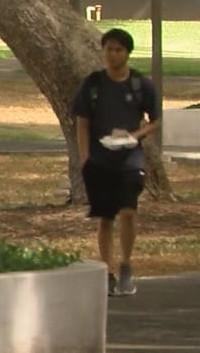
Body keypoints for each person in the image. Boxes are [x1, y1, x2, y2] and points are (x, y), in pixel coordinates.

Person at [71, 28, 161, 297]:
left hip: (130, 159)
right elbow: (82, 122)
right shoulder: (94, 84)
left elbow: (155, 120)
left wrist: (135, 135)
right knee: (105, 216)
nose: (112, 55)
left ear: (127, 53)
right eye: (109, 49)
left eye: (118, 50)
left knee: (128, 212)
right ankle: (108, 271)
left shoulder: (140, 85)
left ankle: (126, 265)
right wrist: (85, 157)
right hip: (99, 159)